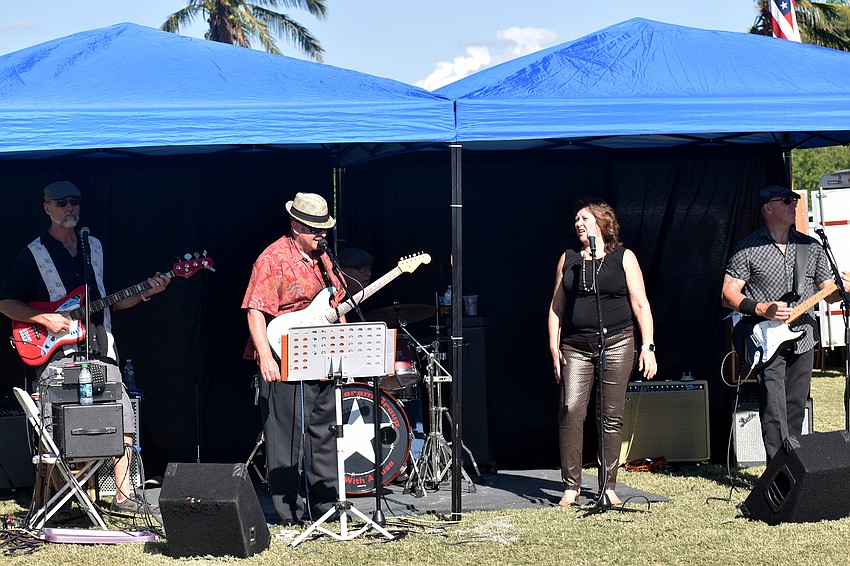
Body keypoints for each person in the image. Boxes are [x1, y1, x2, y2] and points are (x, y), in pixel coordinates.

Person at [0, 180, 170, 516]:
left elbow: (113, 301)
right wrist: (45, 318)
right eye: (61, 203)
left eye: (74, 202)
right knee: (58, 426)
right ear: (46, 207)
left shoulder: (95, 248)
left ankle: (124, 496)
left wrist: (148, 291)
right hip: (58, 357)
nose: (69, 208)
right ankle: (61, 501)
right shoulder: (33, 254)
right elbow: (6, 303)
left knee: (122, 419)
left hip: (101, 350)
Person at [722, 185, 850, 463]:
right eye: (787, 201)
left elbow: (827, 290)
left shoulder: (811, 246)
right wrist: (761, 308)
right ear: (768, 208)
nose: (794, 204)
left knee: (795, 406)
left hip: (804, 337)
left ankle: (793, 466)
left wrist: (843, 290)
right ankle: (776, 468)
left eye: (795, 200)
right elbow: (727, 294)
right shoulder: (748, 248)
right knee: (773, 408)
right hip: (768, 338)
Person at [242, 192, 346, 525]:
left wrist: (341, 338)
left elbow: (335, 304)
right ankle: (290, 512)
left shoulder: (325, 258)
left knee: (325, 431)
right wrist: (264, 357)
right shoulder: (273, 258)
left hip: (322, 355)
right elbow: (255, 309)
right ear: (296, 225)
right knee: (285, 437)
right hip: (282, 353)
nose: (322, 235)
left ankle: (326, 505)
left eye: (325, 229)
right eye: (315, 229)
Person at [548, 197, 657, 507]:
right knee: (570, 410)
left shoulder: (624, 257)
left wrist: (647, 346)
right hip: (576, 345)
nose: (578, 224)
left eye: (585, 218)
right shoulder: (568, 258)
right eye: (576, 220)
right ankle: (572, 486)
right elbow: (557, 307)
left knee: (610, 416)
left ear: (602, 223)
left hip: (618, 341)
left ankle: (607, 486)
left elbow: (640, 304)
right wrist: (554, 346)